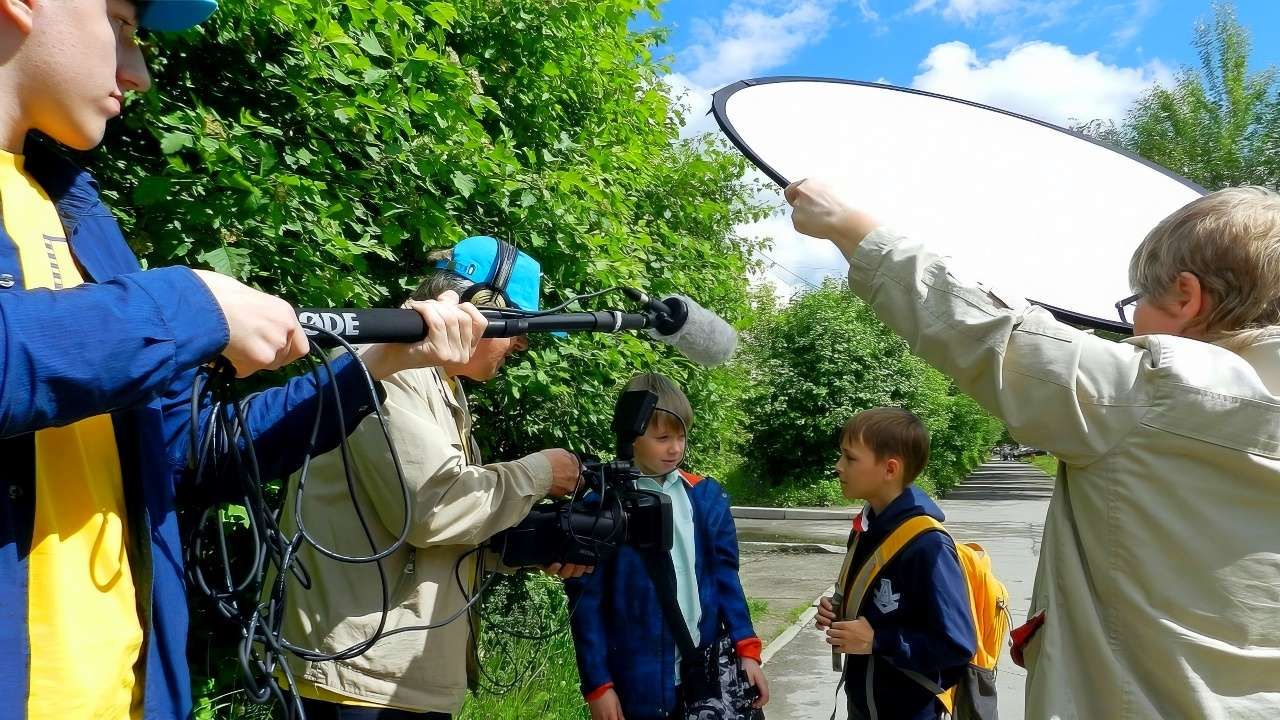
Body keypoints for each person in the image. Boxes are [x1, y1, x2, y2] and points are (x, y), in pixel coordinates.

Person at [0, 2, 485, 717]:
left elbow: (189, 450)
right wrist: (191, 305)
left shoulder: (77, 216)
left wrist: (376, 365)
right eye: (124, 22)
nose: (138, 72)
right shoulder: (156, 292)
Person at [786, 178, 1280, 717]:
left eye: (1135, 302)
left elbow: (990, 333)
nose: (1127, 323)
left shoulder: (1162, 391)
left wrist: (844, 224)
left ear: (1186, 296)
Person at [277, 237, 585, 720]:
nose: (523, 342)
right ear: (474, 306)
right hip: (355, 679)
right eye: (518, 325)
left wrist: (527, 546)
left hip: (389, 676)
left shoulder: (433, 380)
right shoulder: (390, 367)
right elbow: (431, 510)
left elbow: (435, 532)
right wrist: (541, 473)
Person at [567, 372, 768, 720]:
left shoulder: (705, 497)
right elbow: (587, 604)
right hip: (637, 680)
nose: (675, 448)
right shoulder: (600, 507)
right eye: (662, 438)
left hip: (704, 671)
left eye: (681, 437)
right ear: (631, 436)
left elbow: (726, 577)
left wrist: (746, 648)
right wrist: (598, 685)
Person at [815, 407, 975, 720]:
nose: (838, 467)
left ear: (890, 469)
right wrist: (840, 611)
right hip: (863, 704)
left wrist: (878, 640)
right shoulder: (867, 526)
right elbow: (879, 608)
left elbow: (956, 645)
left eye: (850, 458)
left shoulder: (927, 545)